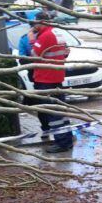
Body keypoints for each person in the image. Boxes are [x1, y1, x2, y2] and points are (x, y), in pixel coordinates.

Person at [30, 11, 73, 153]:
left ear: (41, 22)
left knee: (53, 113)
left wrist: (32, 40)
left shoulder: (44, 36)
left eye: (35, 22)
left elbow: (34, 57)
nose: (33, 25)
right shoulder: (58, 33)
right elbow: (66, 52)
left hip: (46, 79)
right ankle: (67, 139)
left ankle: (62, 143)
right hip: (57, 77)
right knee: (60, 111)